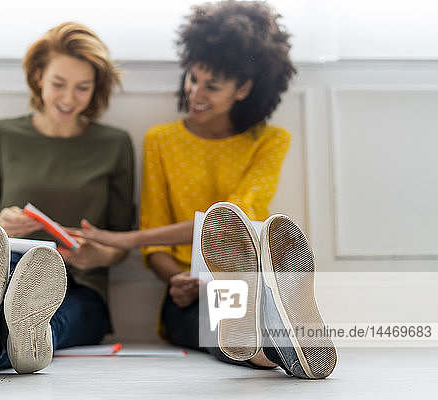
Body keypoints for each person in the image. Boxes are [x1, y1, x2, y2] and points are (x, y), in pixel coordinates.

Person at [73, 1, 336, 379]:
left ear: (244, 87)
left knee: (240, 301)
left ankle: (279, 337)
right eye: (193, 78)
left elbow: (233, 218)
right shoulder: (161, 141)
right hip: (190, 297)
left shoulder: (269, 142)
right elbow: (158, 245)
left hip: (248, 281)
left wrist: (125, 239)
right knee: (217, 319)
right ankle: (278, 351)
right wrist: (176, 280)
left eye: (212, 86)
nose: (196, 92)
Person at [0, 21, 134, 378]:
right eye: (58, 84)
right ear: (38, 76)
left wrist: (95, 253)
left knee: (58, 318)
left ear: (96, 88)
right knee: (8, 302)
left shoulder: (115, 144)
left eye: (83, 88)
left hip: (79, 283)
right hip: (5, 272)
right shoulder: (1, 134)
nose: (69, 99)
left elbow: (121, 241)